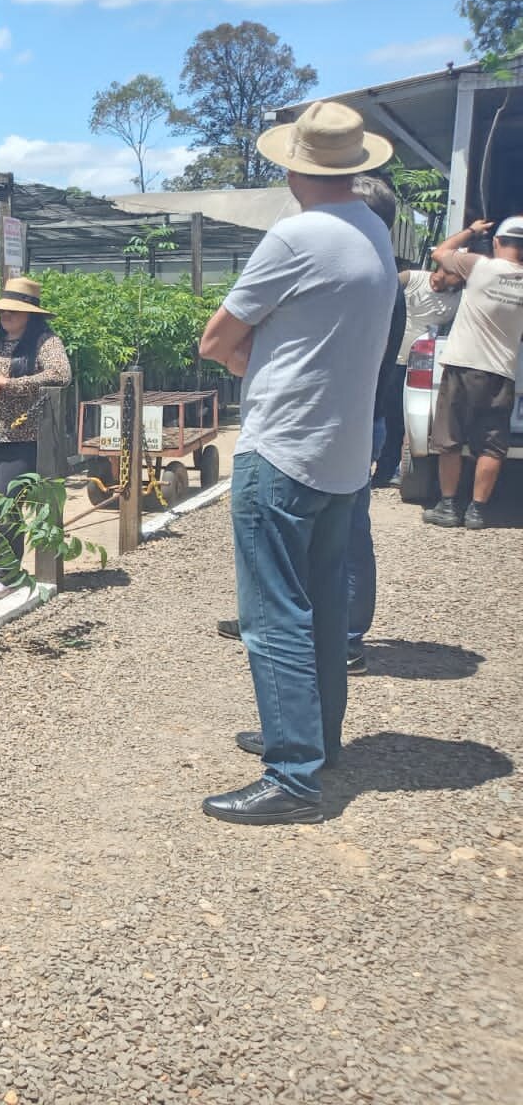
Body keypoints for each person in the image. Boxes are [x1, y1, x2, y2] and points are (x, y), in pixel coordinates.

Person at [197, 101, 397, 826]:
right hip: (342, 454)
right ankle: (316, 741)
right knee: (323, 606)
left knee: (272, 612)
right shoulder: (374, 230)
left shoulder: (297, 235)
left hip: (282, 447)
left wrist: (254, 363)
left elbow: (215, 340)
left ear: (293, 167)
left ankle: (292, 775)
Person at [213, 175, 406, 677]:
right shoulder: (380, 267)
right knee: (335, 552)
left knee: (306, 571)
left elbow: (219, 340)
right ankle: (335, 643)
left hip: (310, 430)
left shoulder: (320, 250)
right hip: (354, 424)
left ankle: (335, 648)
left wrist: (250, 354)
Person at [0, 276, 71, 599]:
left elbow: (60, 374)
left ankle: (7, 574)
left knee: (5, 503)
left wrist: (10, 384)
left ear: (30, 315)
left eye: (13, 311)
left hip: (23, 437)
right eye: (3, 311)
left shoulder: (46, 342)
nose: (5, 316)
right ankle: (3, 566)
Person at [421, 215, 523, 531]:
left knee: (449, 438)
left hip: (463, 366)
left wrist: (471, 231)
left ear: (497, 242)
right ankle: (477, 511)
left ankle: (448, 506)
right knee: (492, 445)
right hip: (501, 373)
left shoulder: (479, 266)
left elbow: (440, 253)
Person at [373, 262, 464, 485]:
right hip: (388, 359)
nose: (460, 281)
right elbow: (383, 293)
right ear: (444, 269)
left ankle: (386, 471)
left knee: (400, 421)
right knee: (379, 413)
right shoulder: (411, 279)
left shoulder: (458, 299)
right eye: (457, 274)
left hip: (418, 366)